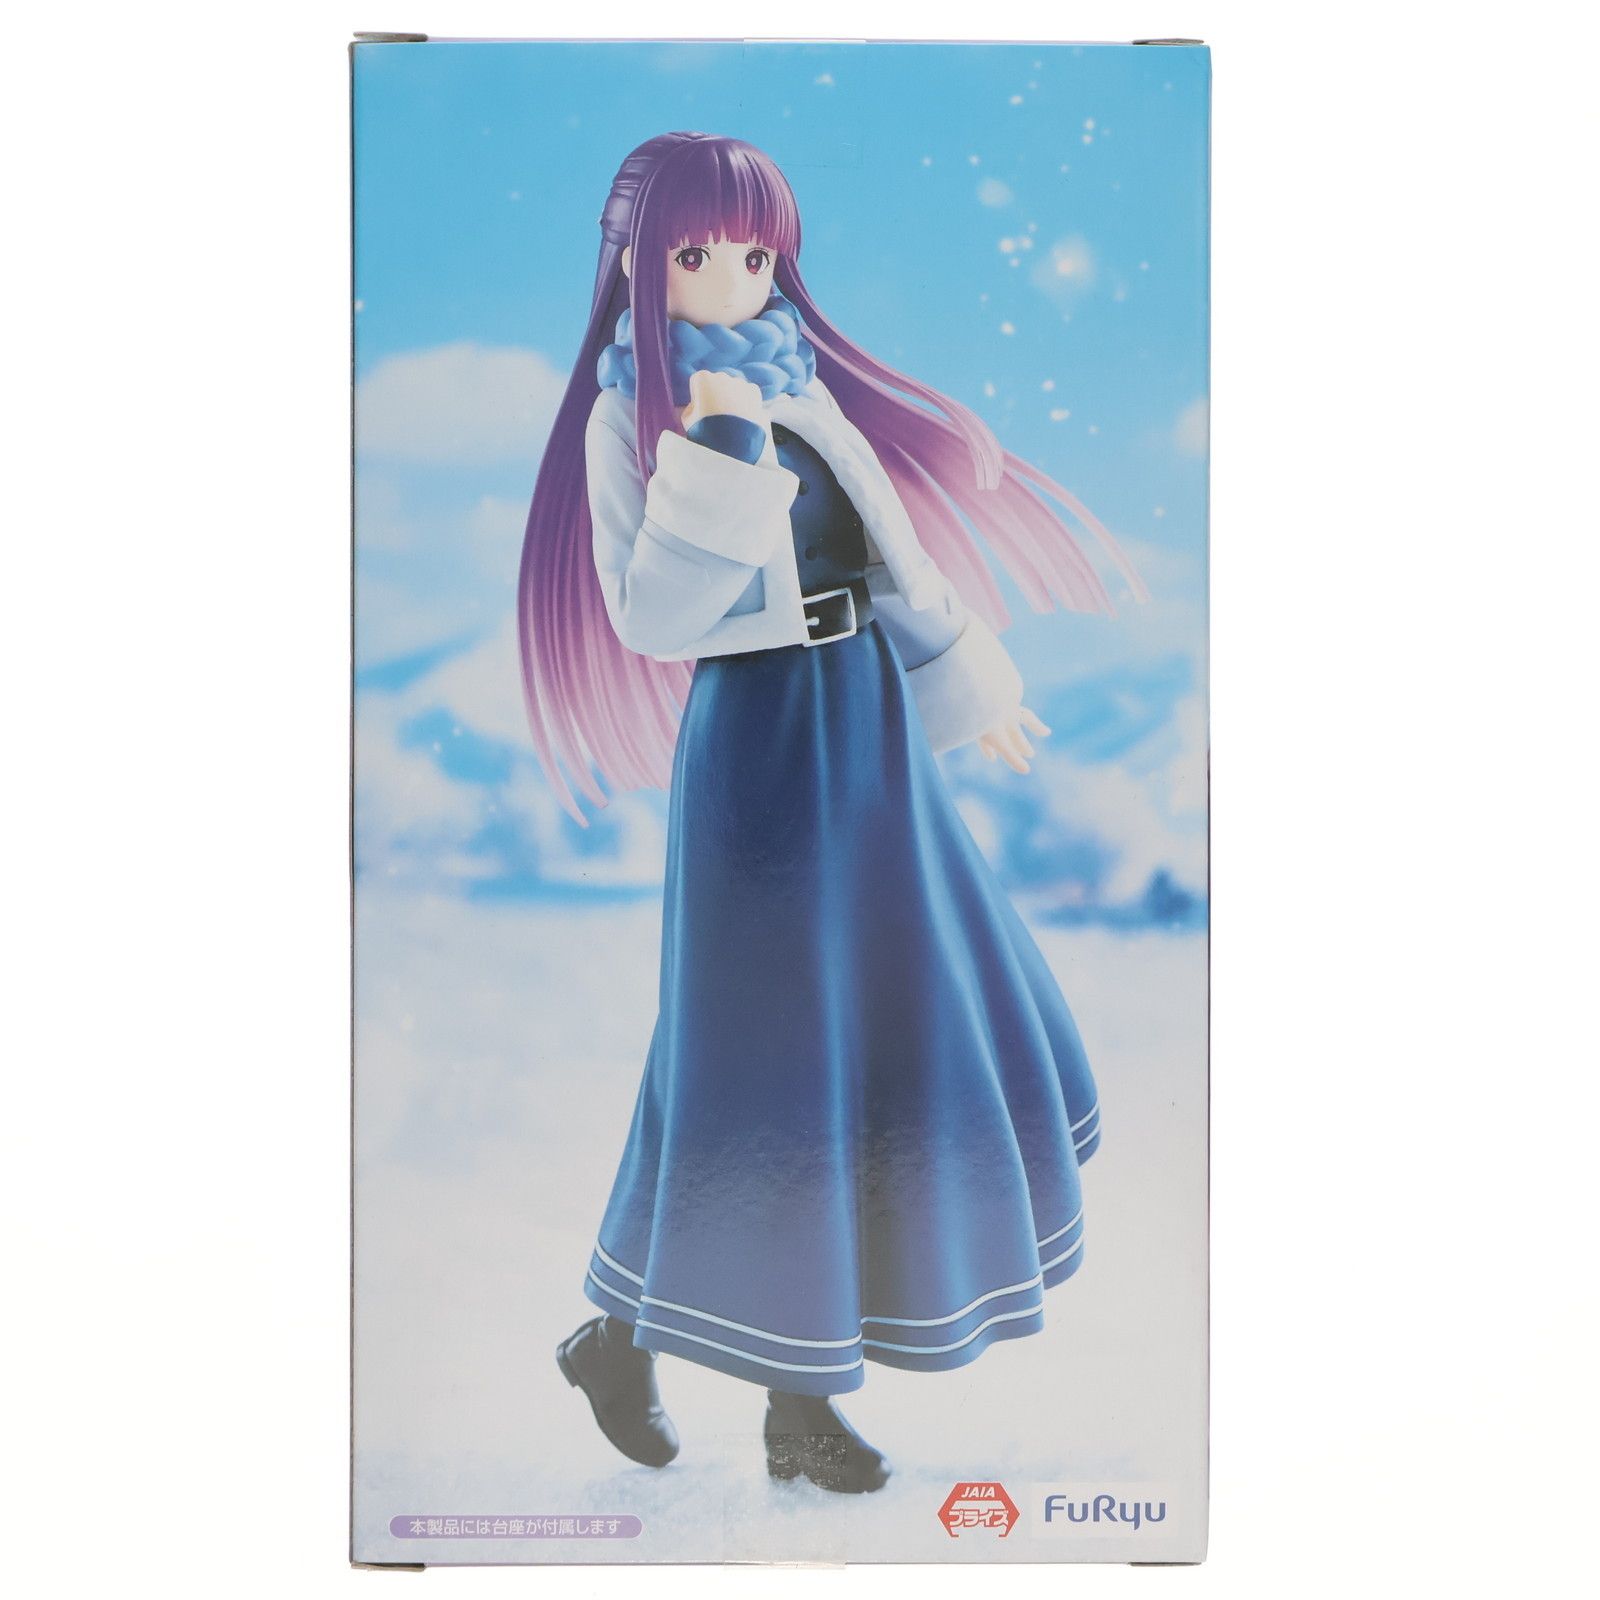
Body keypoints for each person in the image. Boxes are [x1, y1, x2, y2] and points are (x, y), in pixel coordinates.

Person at [519, 132, 1139, 1494]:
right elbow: (651, 616)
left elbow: (884, 553)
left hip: (865, 728)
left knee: (892, 1015)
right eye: (696, 254)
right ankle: (749, 1385)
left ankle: (669, 1355)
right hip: (756, 749)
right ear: (637, 262)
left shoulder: (794, 381)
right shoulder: (635, 414)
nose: (732, 281)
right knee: (765, 1058)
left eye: (756, 254)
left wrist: (967, 677)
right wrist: (718, 454)